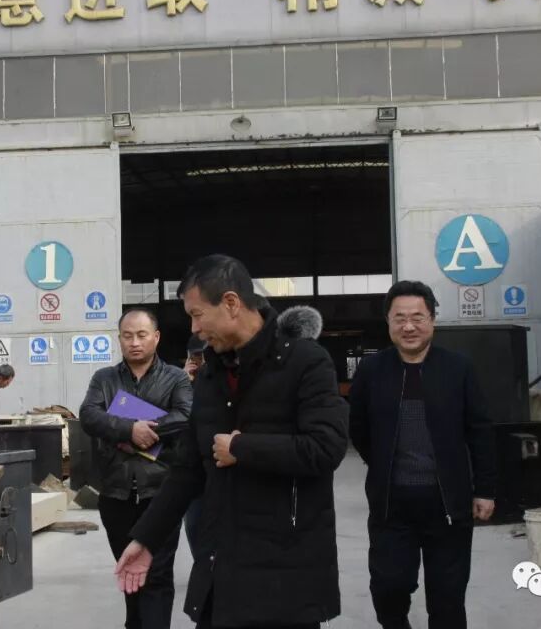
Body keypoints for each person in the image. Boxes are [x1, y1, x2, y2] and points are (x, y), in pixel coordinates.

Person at [115, 254, 348, 629]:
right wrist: (145, 539)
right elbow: (187, 469)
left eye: (197, 315)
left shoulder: (306, 362)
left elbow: (327, 447)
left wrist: (242, 448)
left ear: (231, 303)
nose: (194, 328)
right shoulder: (211, 376)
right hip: (221, 567)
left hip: (287, 574)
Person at [349, 280, 496, 629]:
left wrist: (485, 489)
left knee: (447, 598)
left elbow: (480, 431)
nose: (409, 326)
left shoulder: (458, 368)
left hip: (448, 505)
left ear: (432, 320)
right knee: (389, 586)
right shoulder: (372, 370)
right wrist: (383, 463)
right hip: (391, 505)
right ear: (388, 322)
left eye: (417, 317)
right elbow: (359, 430)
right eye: (400, 318)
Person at [79, 308, 193, 629]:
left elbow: (185, 416)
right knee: (129, 570)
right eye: (127, 336)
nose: (135, 342)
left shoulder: (176, 378)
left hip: (161, 493)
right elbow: (89, 415)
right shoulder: (104, 379)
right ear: (119, 339)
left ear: (156, 337)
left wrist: (145, 434)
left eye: (142, 335)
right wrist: (129, 430)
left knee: (157, 575)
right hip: (116, 494)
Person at [182, 333, 208, 557]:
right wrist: (185, 382)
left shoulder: (220, 380)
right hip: (192, 470)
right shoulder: (182, 382)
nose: (199, 362)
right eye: (195, 357)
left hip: (219, 467)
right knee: (194, 525)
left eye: (202, 356)